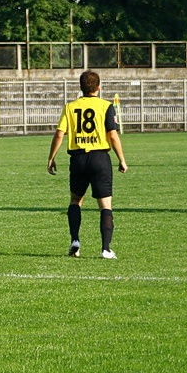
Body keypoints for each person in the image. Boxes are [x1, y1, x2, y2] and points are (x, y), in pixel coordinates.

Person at [47, 70, 127, 259]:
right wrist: (122, 159)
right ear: (98, 87)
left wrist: (51, 158)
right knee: (105, 205)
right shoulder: (106, 106)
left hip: (78, 159)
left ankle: (75, 241)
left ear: (81, 87)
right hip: (100, 158)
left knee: (76, 201)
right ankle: (106, 249)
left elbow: (59, 134)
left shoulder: (70, 107)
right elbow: (113, 135)